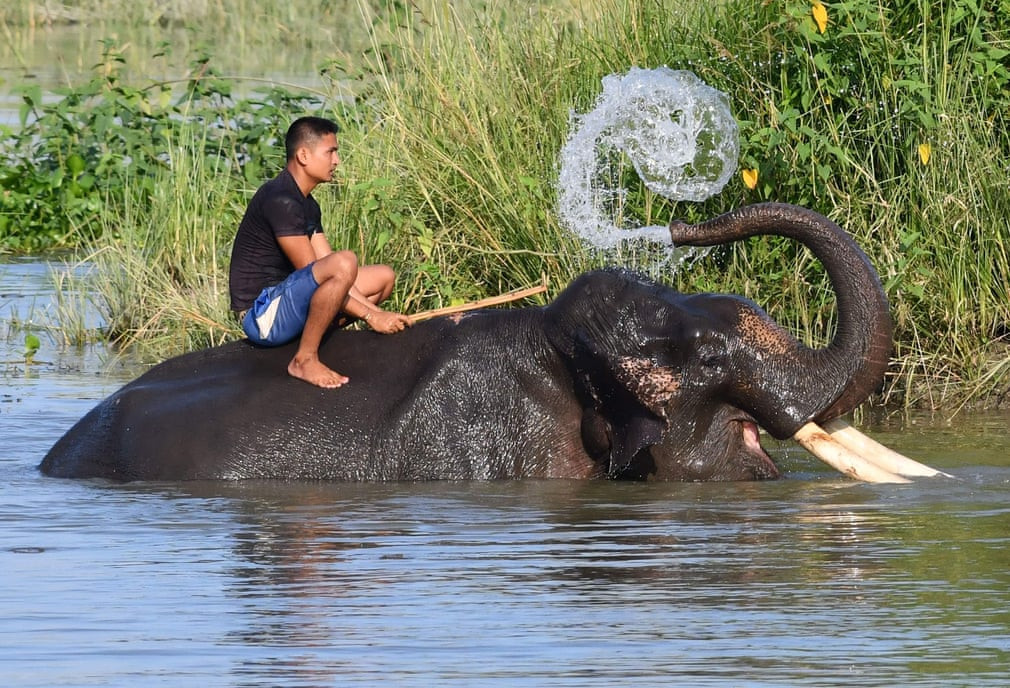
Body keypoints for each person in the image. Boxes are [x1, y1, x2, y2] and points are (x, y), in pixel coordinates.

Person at [229, 116, 411, 389]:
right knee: (344, 262)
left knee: (383, 277)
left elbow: (332, 269)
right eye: (330, 152)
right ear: (303, 155)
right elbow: (317, 271)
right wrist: (372, 316)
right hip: (262, 315)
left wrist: (380, 313)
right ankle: (303, 359)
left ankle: (314, 334)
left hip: (288, 298)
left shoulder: (308, 205)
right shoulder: (280, 200)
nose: (337, 161)